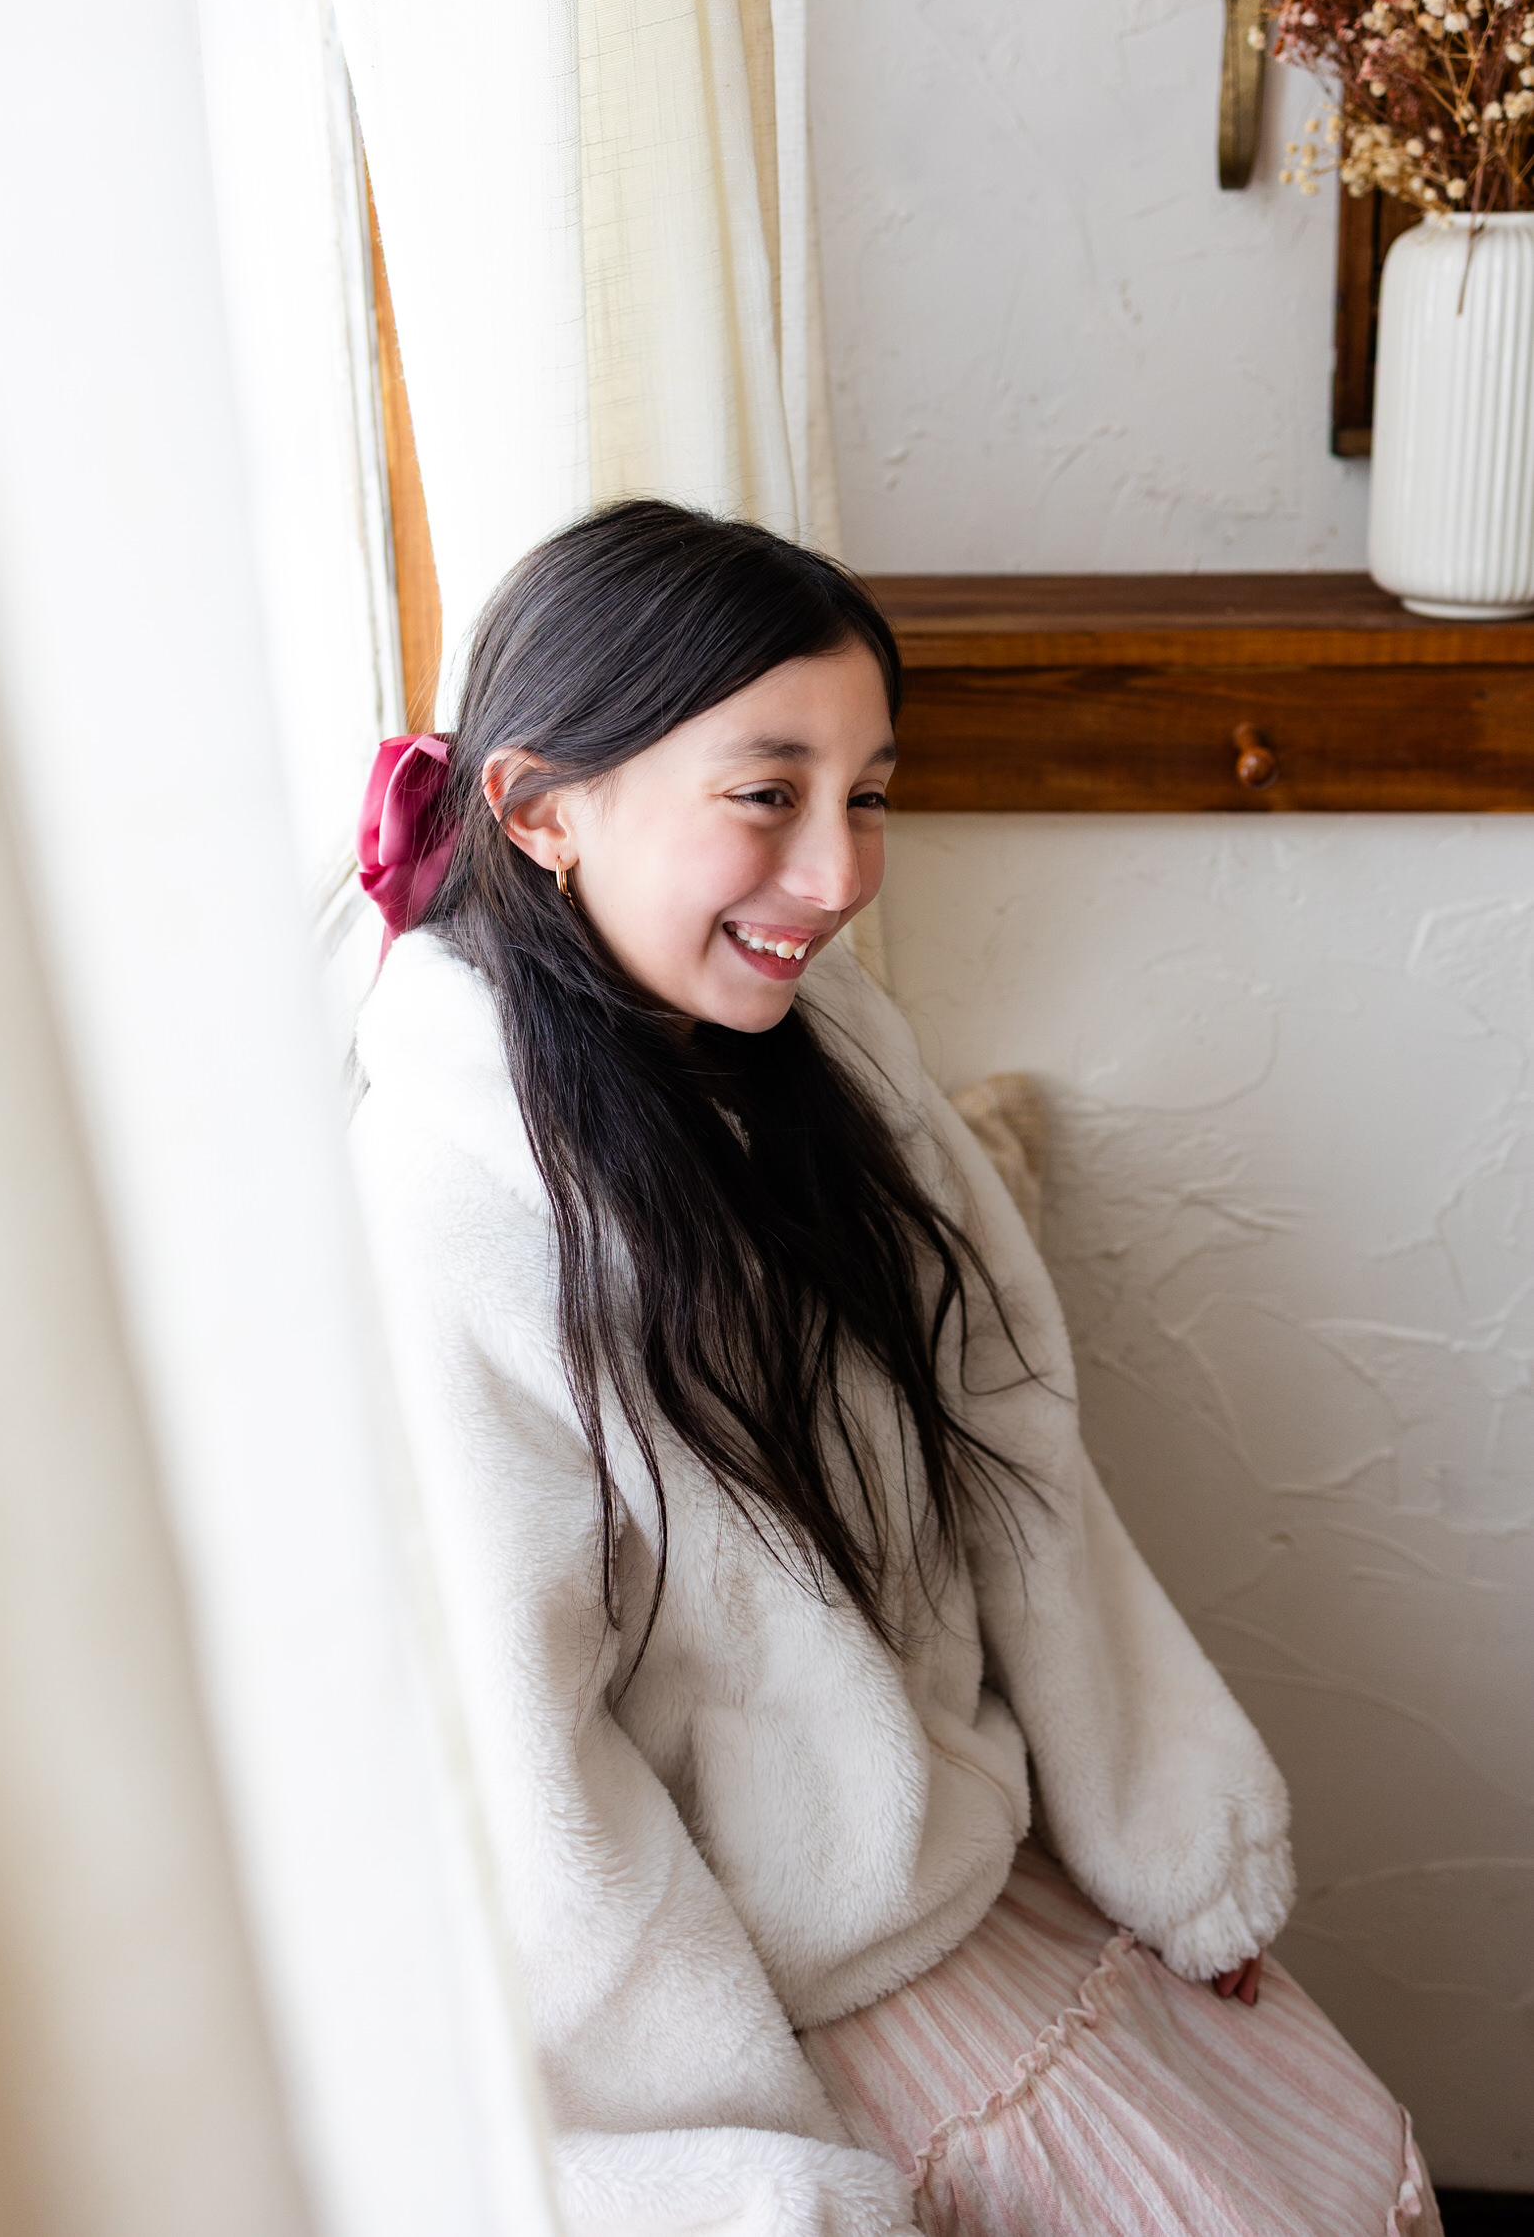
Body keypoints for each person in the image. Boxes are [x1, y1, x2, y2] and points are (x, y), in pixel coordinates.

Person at [350, 501, 1440, 2237]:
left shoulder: (831, 1049)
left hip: (984, 1868)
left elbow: (1013, 1442)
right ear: (540, 806)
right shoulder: (448, 1225)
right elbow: (532, 1774)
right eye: (767, 793)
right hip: (770, 2020)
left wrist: (1158, 1829)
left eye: (866, 794)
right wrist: (750, 2175)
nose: (841, 873)